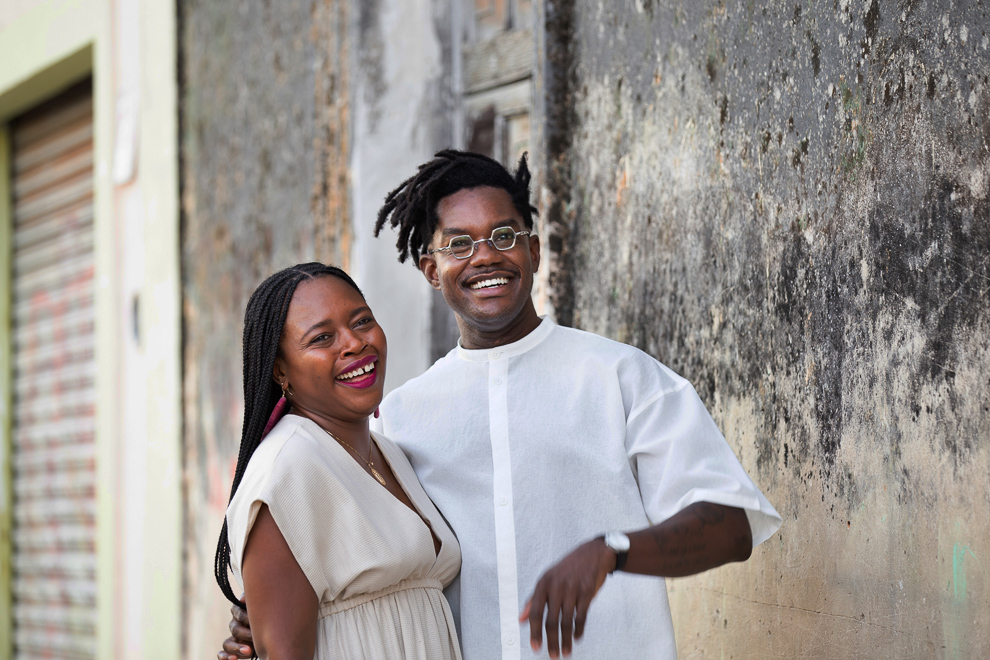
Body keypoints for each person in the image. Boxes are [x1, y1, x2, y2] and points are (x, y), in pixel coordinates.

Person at [219, 151, 781, 660]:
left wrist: (614, 550)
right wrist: (266, 617)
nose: (485, 256)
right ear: (431, 269)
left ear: (533, 250)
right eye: (459, 243)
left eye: (504, 236)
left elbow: (731, 524)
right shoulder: (402, 416)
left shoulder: (619, 377)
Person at [215, 262, 462, 660]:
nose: (353, 343)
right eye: (322, 338)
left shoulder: (389, 454)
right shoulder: (287, 469)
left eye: (362, 321)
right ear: (281, 370)